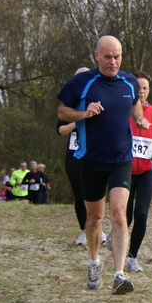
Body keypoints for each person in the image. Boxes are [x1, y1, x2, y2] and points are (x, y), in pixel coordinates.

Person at [57, 35, 149, 295]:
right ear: (96, 56)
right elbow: (62, 113)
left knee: (119, 214)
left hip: (121, 158)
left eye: (117, 56)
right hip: (91, 159)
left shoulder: (129, 81)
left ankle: (119, 274)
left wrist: (139, 119)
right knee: (95, 217)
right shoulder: (82, 82)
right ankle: (94, 261)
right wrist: (84, 114)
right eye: (107, 57)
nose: (113, 62)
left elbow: (135, 105)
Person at [106, 70, 152, 273]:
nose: (141, 92)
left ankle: (132, 257)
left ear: (149, 91)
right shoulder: (122, 110)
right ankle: (115, 235)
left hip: (149, 168)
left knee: (141, 213)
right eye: (138, 88)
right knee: (126, 215)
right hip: (124, 167)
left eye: (145, 88)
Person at [57, 67, 107, 246]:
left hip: (95, 152)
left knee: (96, 194)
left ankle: (99, 230)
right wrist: (80, 119)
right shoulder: (69, 106)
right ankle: (83, 231)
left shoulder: (100, 99)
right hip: (74, 154)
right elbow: (60, 130)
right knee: (79, 193)